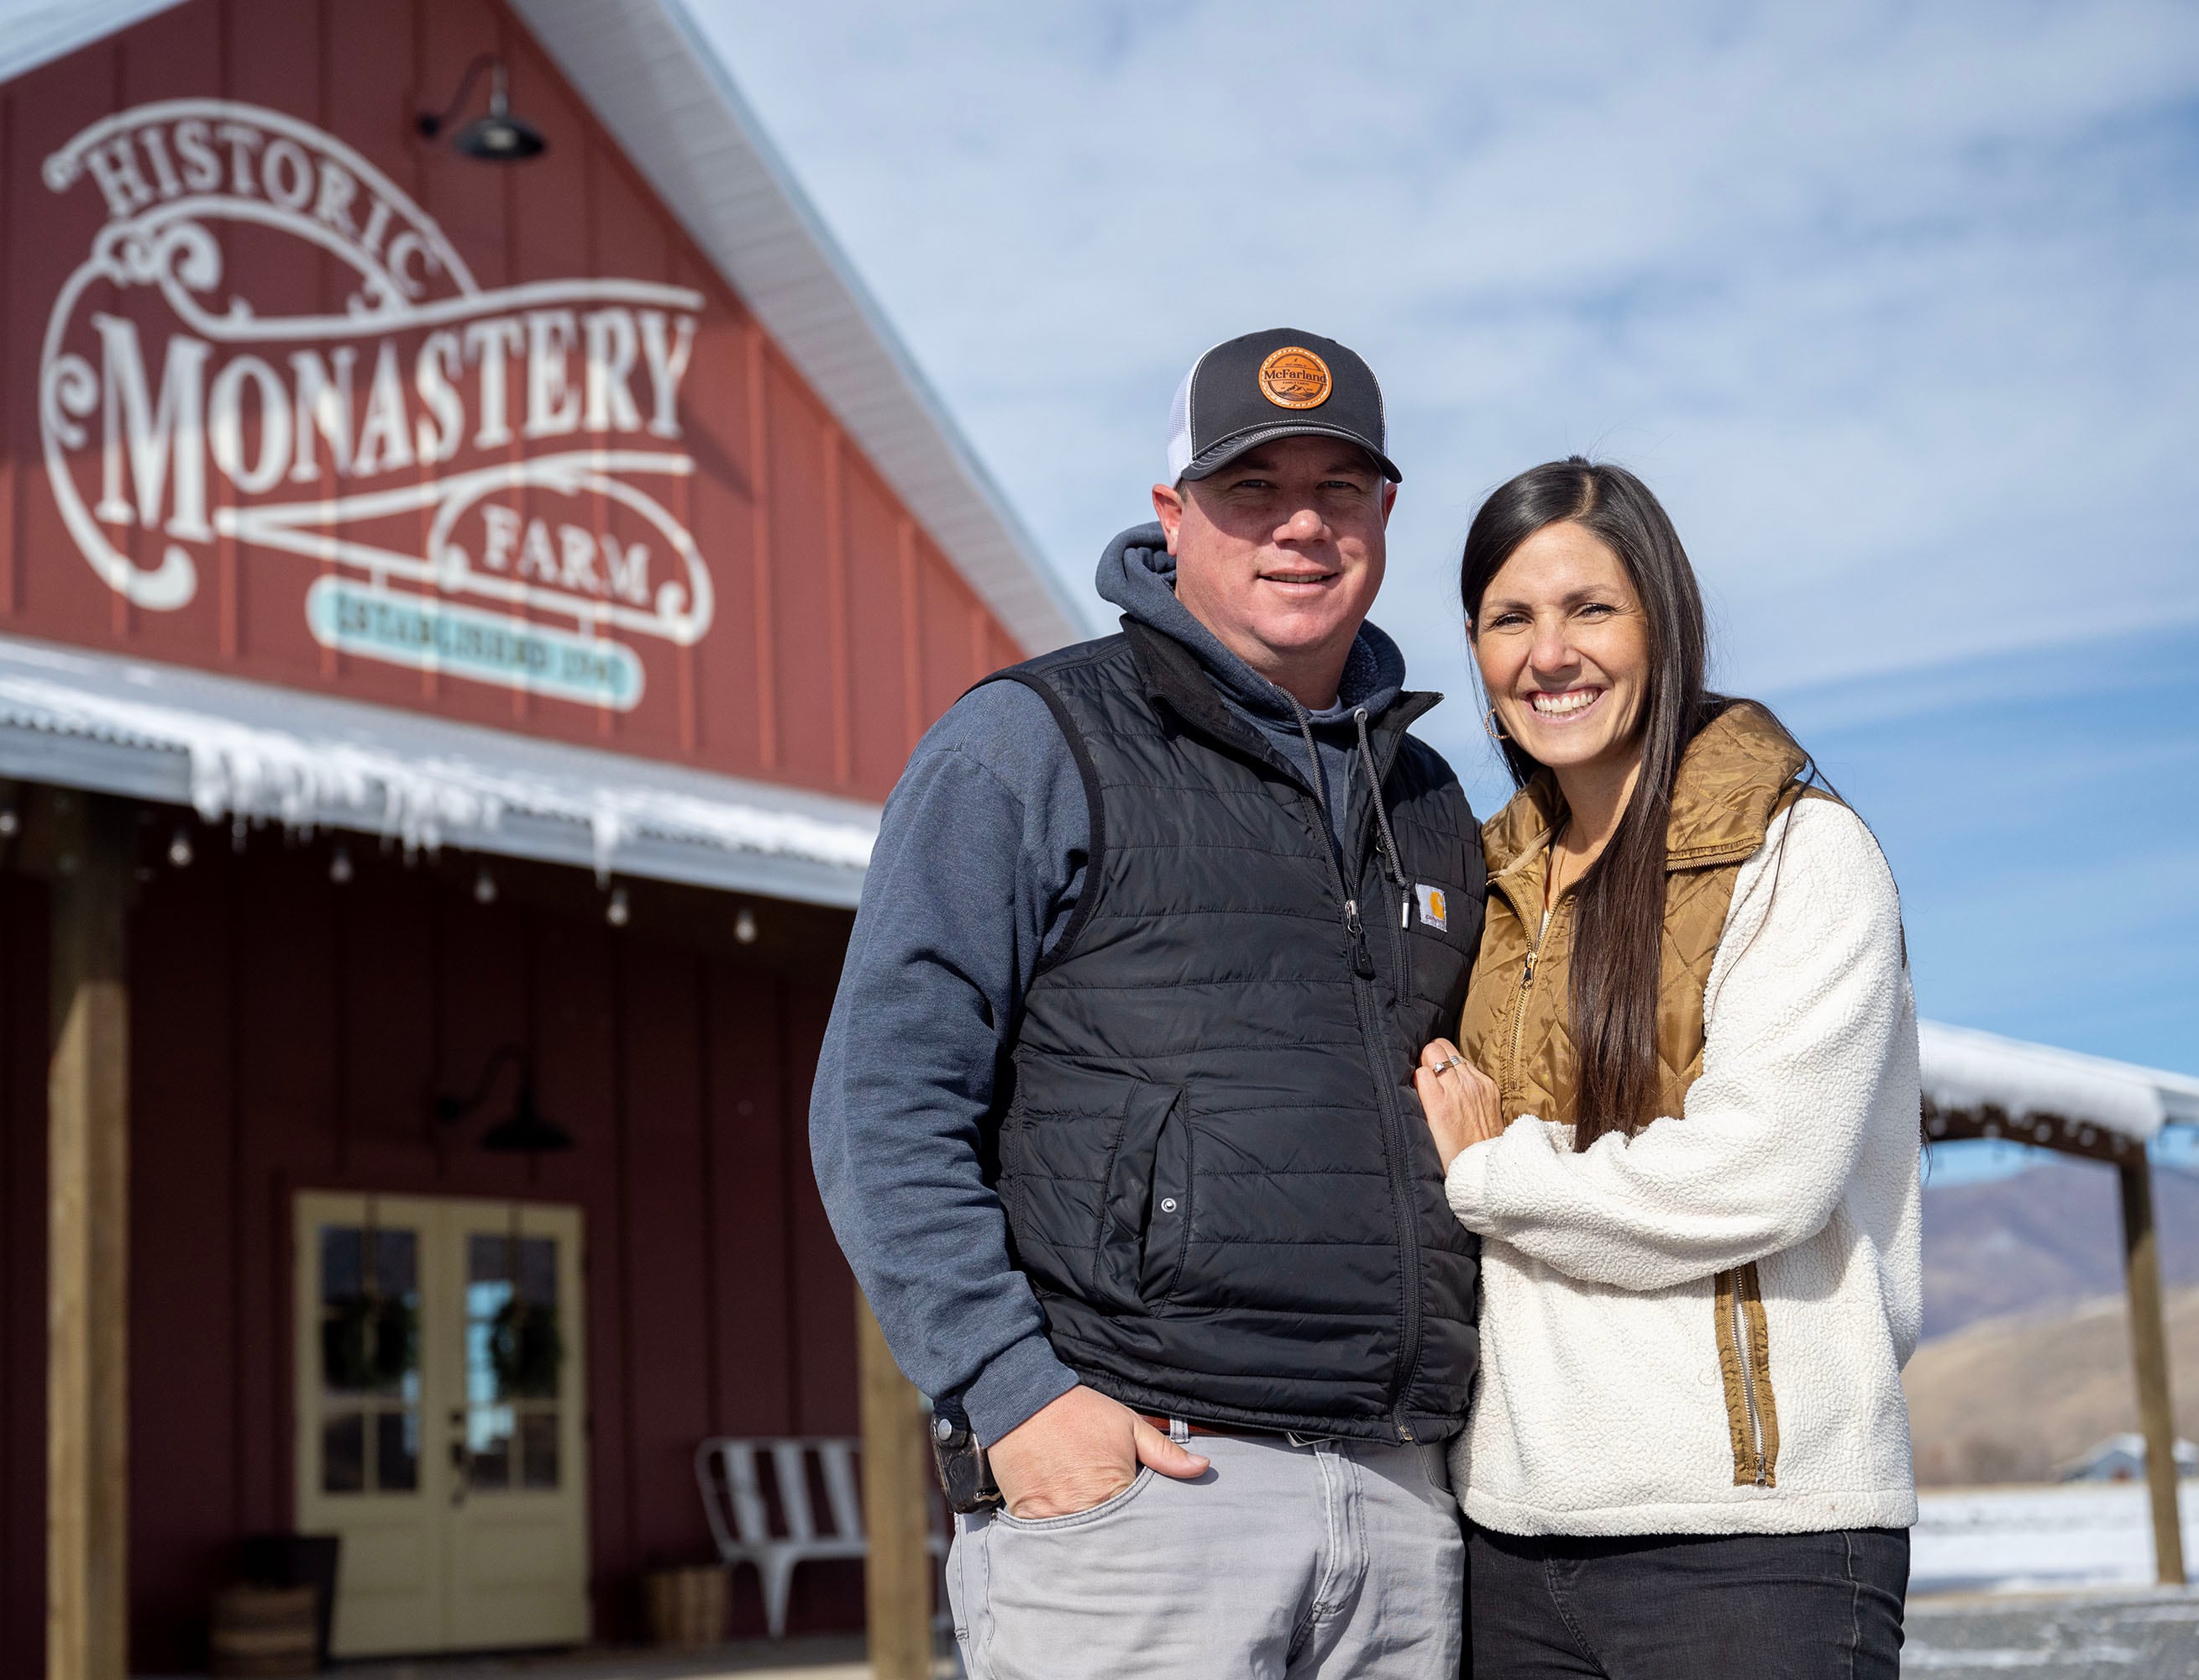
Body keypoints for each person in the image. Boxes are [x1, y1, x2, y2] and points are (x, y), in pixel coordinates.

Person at [810, 329, 1488, 1678]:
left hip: (1408, 1510)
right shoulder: (1032, 744)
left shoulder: (1431, 805)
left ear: (1387, 518)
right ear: (1173, 516)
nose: (1301, 526)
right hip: (1147, 1497)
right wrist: (1017, 1399)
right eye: (1252, 489)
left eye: (1339, 491)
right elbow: (882, 1100)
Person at [1413, 458, 1922, 1679]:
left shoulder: (1799, 853)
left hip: (1752, 1544)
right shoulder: (1483, 885)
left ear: (1666, 624)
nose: (1551, 653)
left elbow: (1761, 1174)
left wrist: (1494, 1174)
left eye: (1592, 609)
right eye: (1510, 619)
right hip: (1510, 1537)